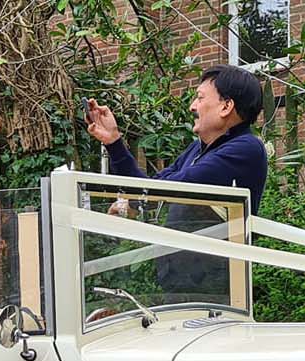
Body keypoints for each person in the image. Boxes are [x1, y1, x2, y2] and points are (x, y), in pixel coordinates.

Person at [86, 65, 268, 299]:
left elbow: (167, 189)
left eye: (200, 98)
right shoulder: (198, 149)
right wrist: (113, 141)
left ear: (226, 106)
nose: (193, 106)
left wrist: (135, 200)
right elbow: (149, 191)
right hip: (182, 286)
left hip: (217, 293)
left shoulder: (246, 148)